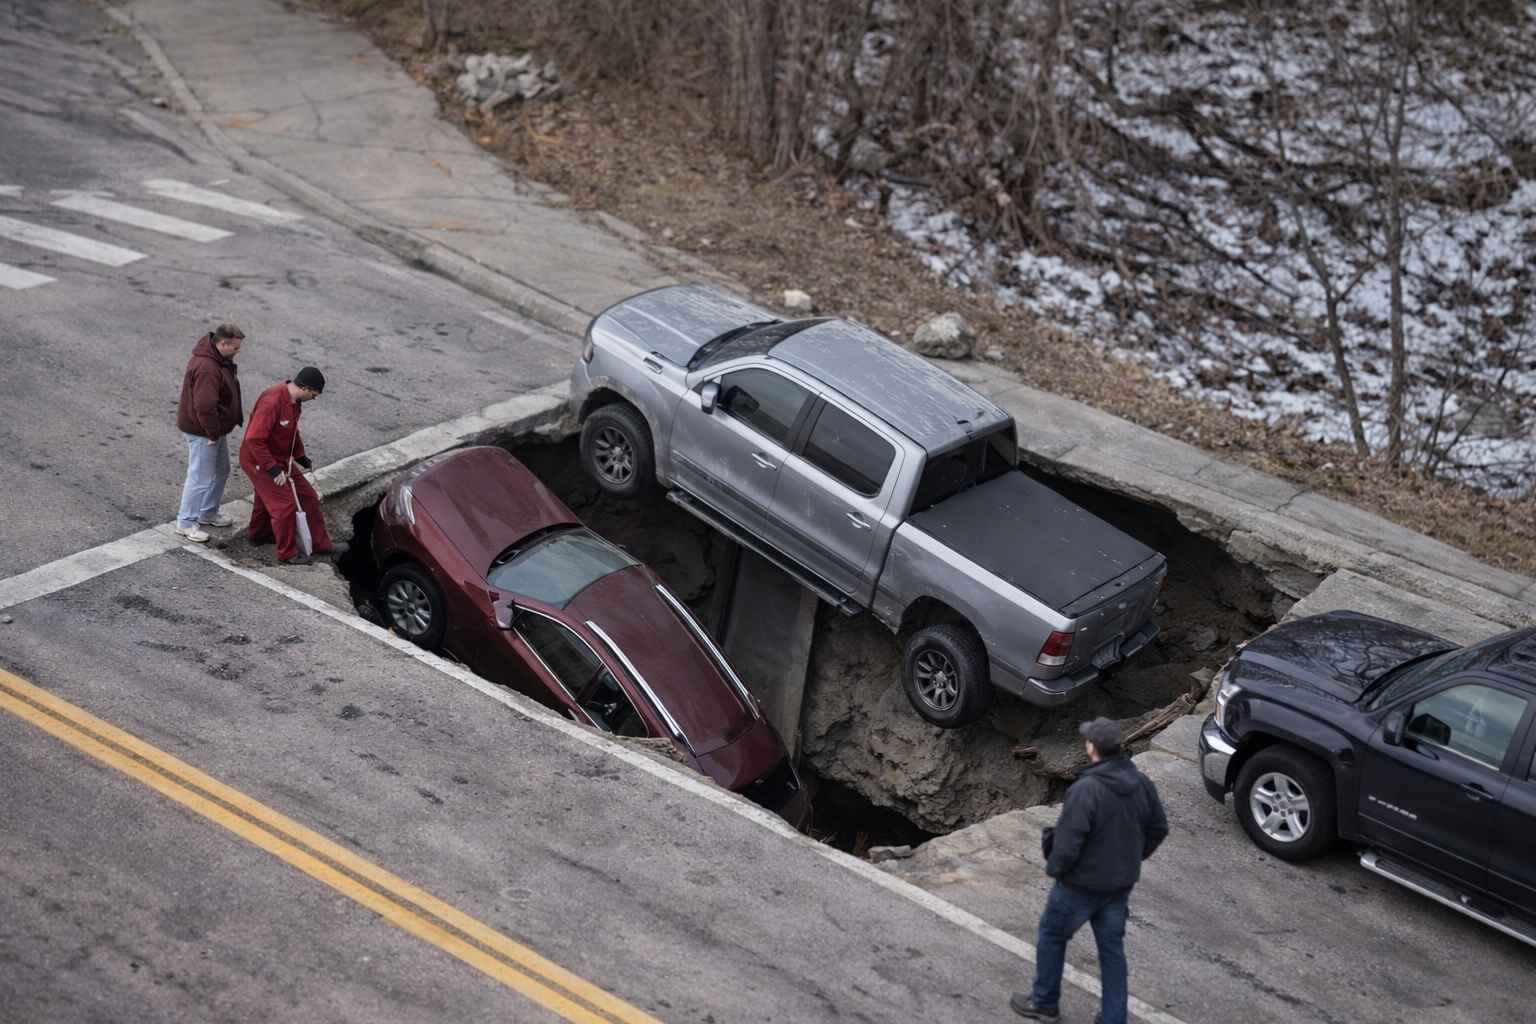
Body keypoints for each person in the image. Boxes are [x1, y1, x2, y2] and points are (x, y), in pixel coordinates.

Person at [1011, 717, 1169, 1024]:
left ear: (1092, 748)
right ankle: (1113, 1019)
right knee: (1112, 953)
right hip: (1119, 886)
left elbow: (1068, 843)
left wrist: (1056, 869)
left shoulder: (1087, 789)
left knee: (1052, 936)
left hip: (1079, 886)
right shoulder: (1142, 784)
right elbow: (1159, 828)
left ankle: (1044, 1003)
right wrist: (1133, 858)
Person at [238, 366, 336, 564]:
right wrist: (273, 469)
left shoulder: (294, 402)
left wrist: (300, 457)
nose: (314, 399)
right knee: (284, 505)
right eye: (314, 395)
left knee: (308, 496)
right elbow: (254, 439)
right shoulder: (272, 401)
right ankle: (288, 554)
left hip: (281, 459)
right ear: (306, 388)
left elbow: (292, 432)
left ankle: (318, 544)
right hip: (259, 460)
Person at [174, 323, 245, 542]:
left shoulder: (218, 360)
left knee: (221, 469)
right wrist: (213, 433)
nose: (238, 352)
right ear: (222, 343)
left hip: (213, 429)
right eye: (235, 348)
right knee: (200, 477)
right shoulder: (208, 367)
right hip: (204, 431)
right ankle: (186, 523)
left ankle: (207, 512)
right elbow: (204, 406)